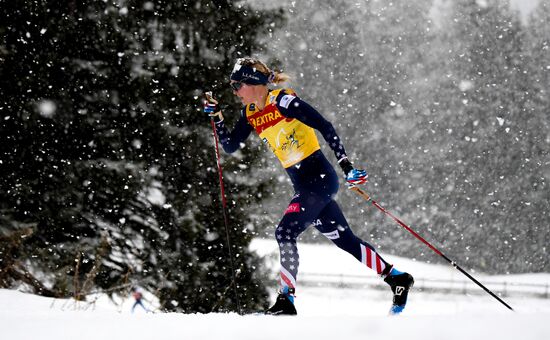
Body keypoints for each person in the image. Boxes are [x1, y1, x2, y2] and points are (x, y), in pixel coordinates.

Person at [204, 57, 414, 315]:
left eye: (237, 85)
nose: (234, 91)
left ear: (254, 83)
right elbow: (230, 145)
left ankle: (286, 300)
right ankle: (397, 278)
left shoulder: (283, 102)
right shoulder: (251, 113)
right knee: (346, 240)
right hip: (304, 186)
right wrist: (217, 118)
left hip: (319, 180)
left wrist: (346, 165)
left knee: (285, 233)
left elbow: (325, 126)